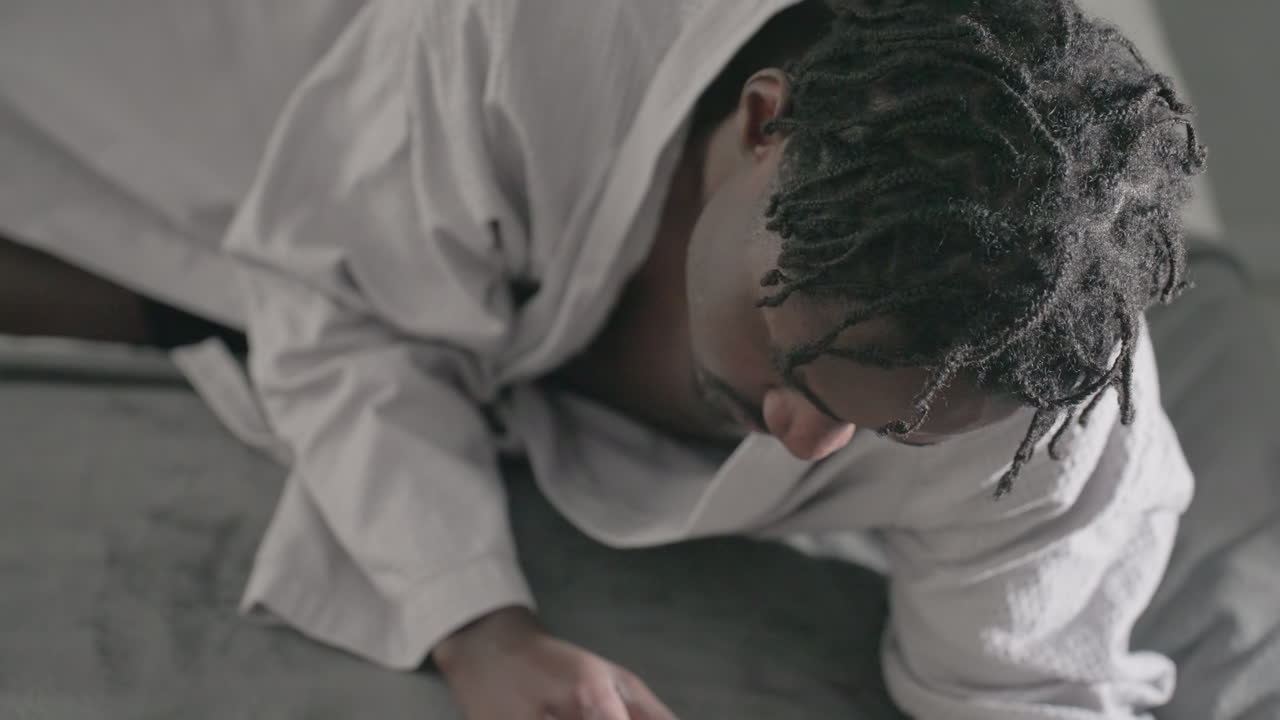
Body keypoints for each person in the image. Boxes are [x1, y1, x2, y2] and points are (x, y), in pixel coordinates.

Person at [0, 0, 1205, 717]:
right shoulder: (536, 42)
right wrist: (478, 627)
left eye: (881, 430)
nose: (799, 442)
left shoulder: (1047, 415)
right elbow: (338, 301)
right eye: (791, 364)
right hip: (288, 69)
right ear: (756, 126)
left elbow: (1020, 690)